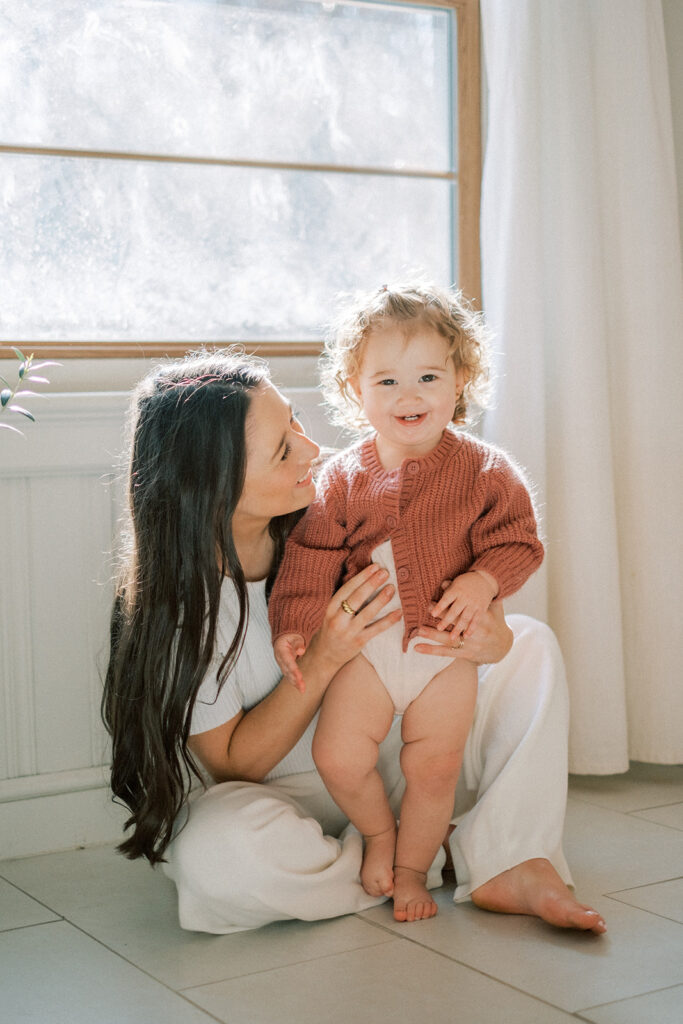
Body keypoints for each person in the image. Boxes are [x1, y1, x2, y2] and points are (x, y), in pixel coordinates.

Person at [102, 347, 607, 936]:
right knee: (214, 852)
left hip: (402, 754)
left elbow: (437, 599)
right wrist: (325, 655)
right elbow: (237, 766)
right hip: (295, 801)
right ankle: (417, 859)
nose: (313, 450)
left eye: (295, 421)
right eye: (283, 448)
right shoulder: (184, 611)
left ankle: (509, 858)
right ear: (212, 485)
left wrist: (483, 642)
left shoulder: (336, 509)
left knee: (530, 643)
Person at [269, 283, 544, 921]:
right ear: (353, 390)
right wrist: (293, 624)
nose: (409, 395)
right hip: (367, 649)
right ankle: (379, 835)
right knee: (336, 755)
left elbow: (519, 544)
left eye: (427, 376)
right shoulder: (340, 477)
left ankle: (415, 870)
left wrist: (482, 581)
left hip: (442, 652)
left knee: (435, 768)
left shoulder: (486, 471)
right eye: (386, 381)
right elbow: (309, 558)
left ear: (461, 380)